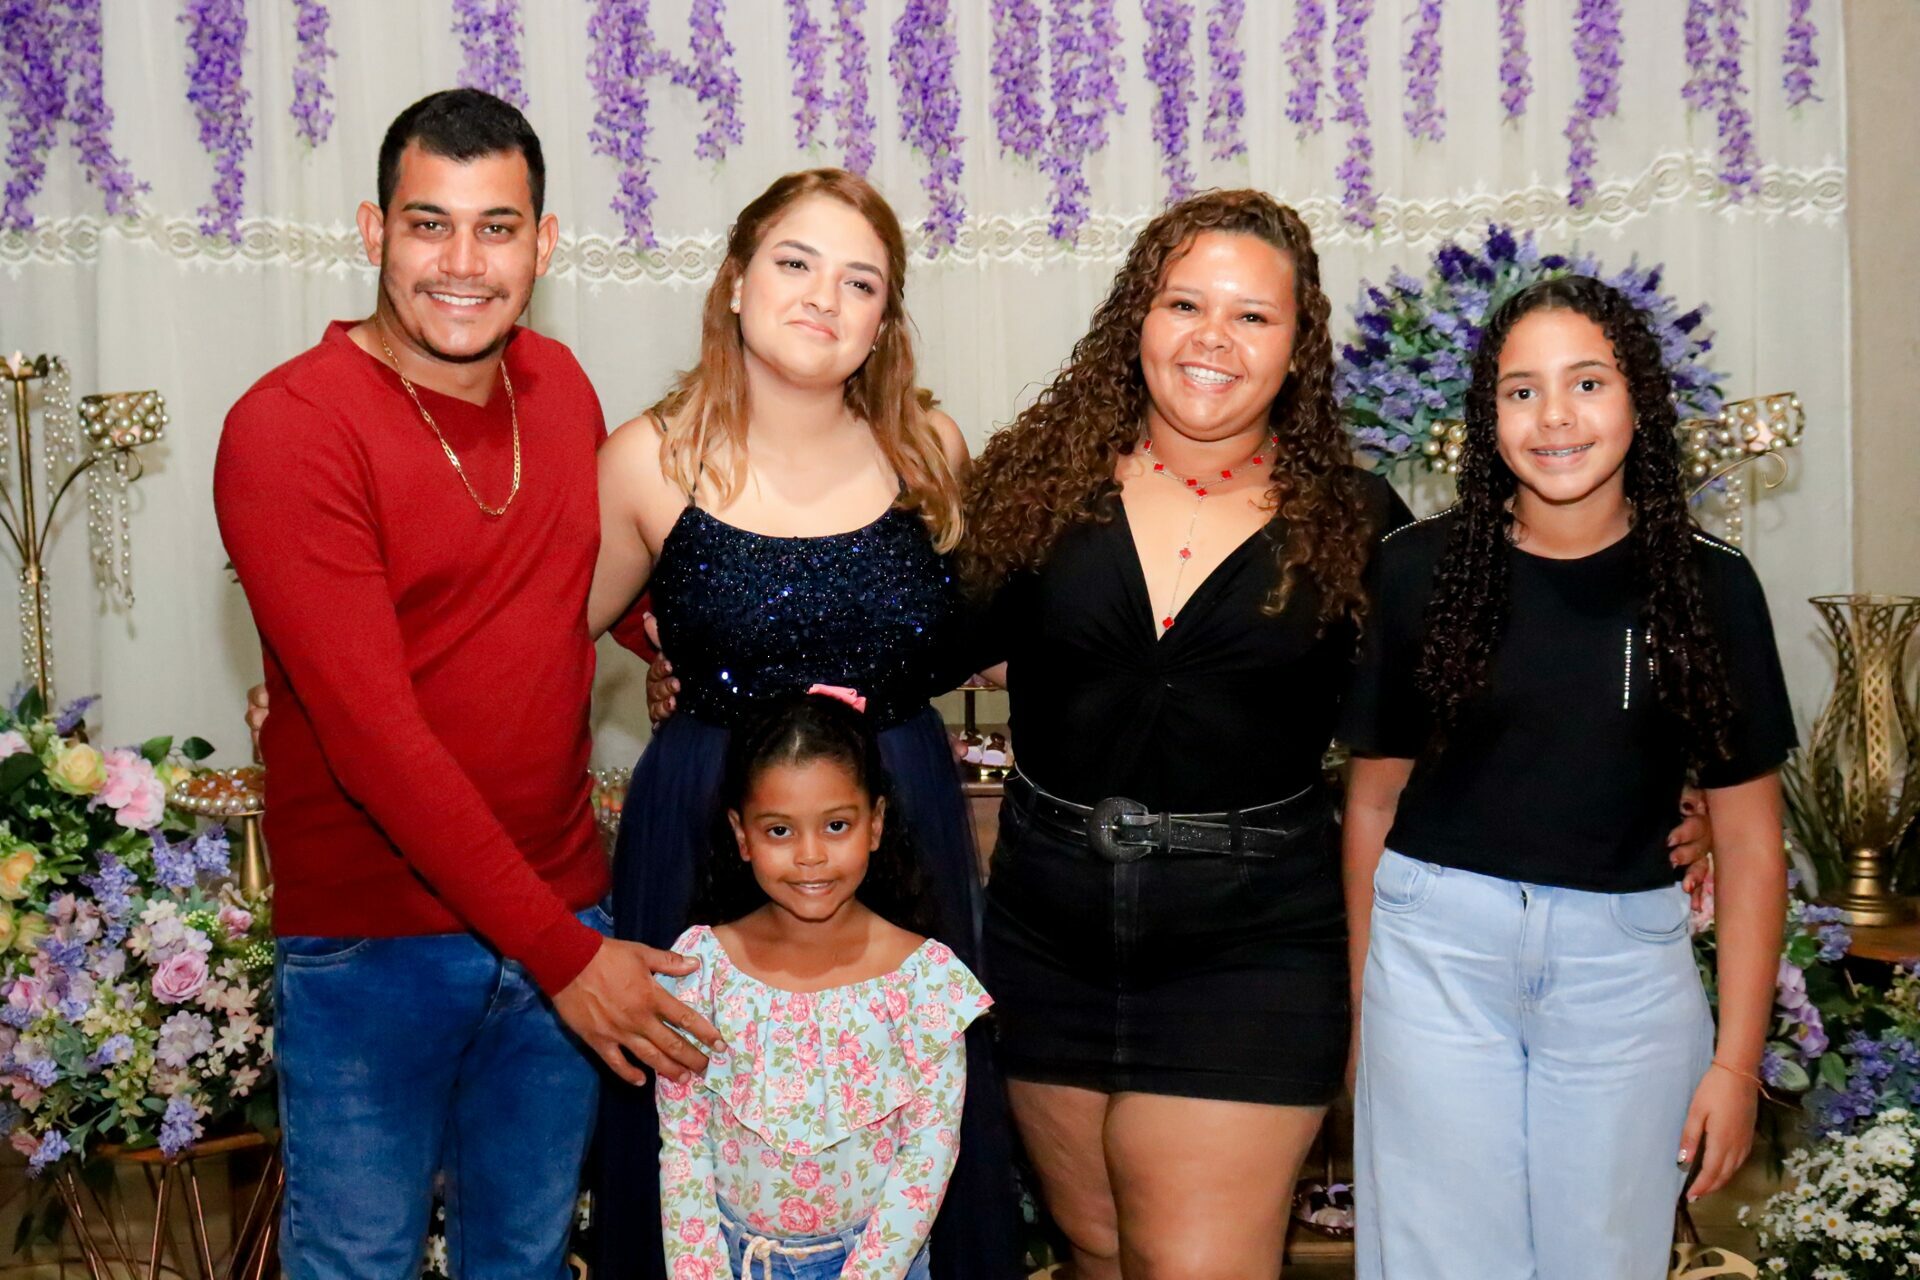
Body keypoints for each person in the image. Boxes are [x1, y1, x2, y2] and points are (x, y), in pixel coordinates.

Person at [214, 89, 718, 1280]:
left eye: (496, 227)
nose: (461, 262)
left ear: (544, 244)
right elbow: (374, 740)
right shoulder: (290, 427)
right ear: (373, 231)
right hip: (376, 940)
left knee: (526, 1258)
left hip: (561, 905)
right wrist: (566, 955)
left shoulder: (559, 383)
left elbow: (578, 575)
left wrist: (671, 647)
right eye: (428, 223)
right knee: (358, 1262)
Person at [589, 169, 1021, 1280]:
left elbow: (987, 637)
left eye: (860, 281)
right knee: (693, 1131)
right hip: (702, 827)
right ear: (736, 280)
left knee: (911, 1135)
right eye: (795, 262)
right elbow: (538, 641)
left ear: (884, 321)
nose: (824, 297)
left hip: (899, 823)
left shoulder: (931, 449)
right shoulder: (644, 460)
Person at [1339, 275, 1793, 1279]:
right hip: (1434, 960)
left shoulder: (1712, 586)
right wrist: (1369, 1013)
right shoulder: (1416, 570)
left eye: (1587, 382)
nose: (1555, 416)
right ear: (1486, 414)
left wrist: (1736, 1061)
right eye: (1521, 390)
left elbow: (1753, 843)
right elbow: (1371, 802)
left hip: (1625, 973)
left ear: (1638, 399)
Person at [656, 690, 990, 1279]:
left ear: (875, 823)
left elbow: (930, 1151)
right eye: (779, 830)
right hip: (735, 1262)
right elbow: (684, 1146)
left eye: (836, 825)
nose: (810, 855)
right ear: (741, 835)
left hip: (881, 1265)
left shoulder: (924, 980)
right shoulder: (700, 970)